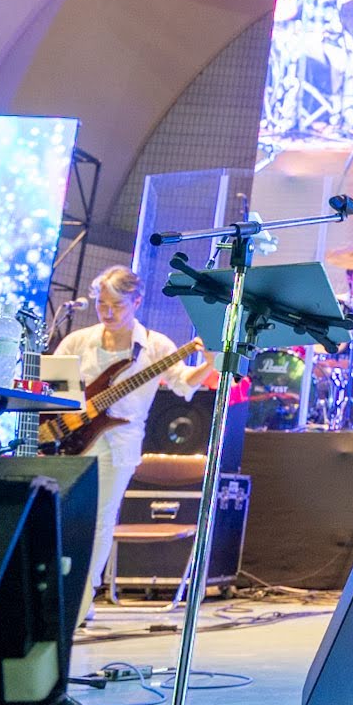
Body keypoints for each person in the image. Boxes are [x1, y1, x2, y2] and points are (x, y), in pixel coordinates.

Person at [48, 266, 210, 626]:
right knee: (62, 518)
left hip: (120, 445)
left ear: (136, 302)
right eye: (101, 304)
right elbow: (53, 389)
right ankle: (55, 594)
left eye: (117, 305)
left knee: (100, 521)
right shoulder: (78, 341)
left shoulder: (155, 345)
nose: (107, 312)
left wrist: (210, 363)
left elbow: (184, 384)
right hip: (72, 441)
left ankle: (80, 601)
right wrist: (70, 414)